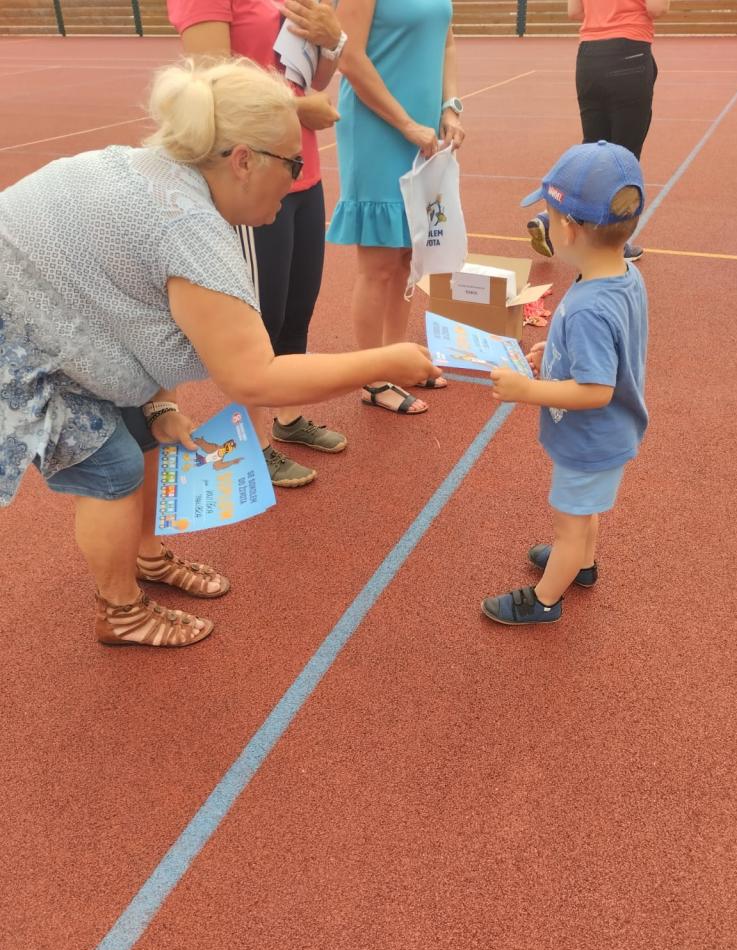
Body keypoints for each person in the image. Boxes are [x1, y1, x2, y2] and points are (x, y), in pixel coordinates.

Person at [0, 58, 437, 648]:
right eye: (294, 163)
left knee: (147, 430)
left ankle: (146, 556)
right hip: (19, 329)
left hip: (56, 307)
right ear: (243, 160)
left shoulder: (167, 173)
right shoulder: (189, 227)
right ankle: (119, 611)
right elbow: (256, 379)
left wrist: (158, 404)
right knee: (112, 470)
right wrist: (387, 361)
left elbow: (136, 302)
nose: (299, 179)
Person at [168, 0, 348, 487]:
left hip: (299, 170)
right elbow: (209, 92)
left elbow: (315, 76)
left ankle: (286, 417)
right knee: (256, 321)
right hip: (247, 181)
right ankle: (252, 441)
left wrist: (332, 38)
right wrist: (295, 108)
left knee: (296, 310)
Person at [482, 141, 649, 625]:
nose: (545, 225)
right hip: (607, 433)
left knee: (569, 523)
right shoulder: (622, 276)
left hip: (590, 437)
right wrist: (552, 353)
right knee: (585, 509)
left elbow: (596, 390)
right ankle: (583, 565)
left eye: (549, 218)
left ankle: (544, 600)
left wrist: (528, 391)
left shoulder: (589, 307)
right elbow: (606, 353)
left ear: (569, 229)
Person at [326, 0, 466, 415]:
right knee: (380, 263)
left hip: (422, 130)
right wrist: (405, 123)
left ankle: (396, 358)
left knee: (409, 254)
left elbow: (446, 41)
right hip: (378, 127)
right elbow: (349, 57)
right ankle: (373, 378)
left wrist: (450, 105)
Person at [527, 0, 669, 264]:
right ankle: (610, 245)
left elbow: (574, 12)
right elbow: (657, 8)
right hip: (629, 52)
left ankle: (552, 218)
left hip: (589, 57)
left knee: (592, 152)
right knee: (623, 157)